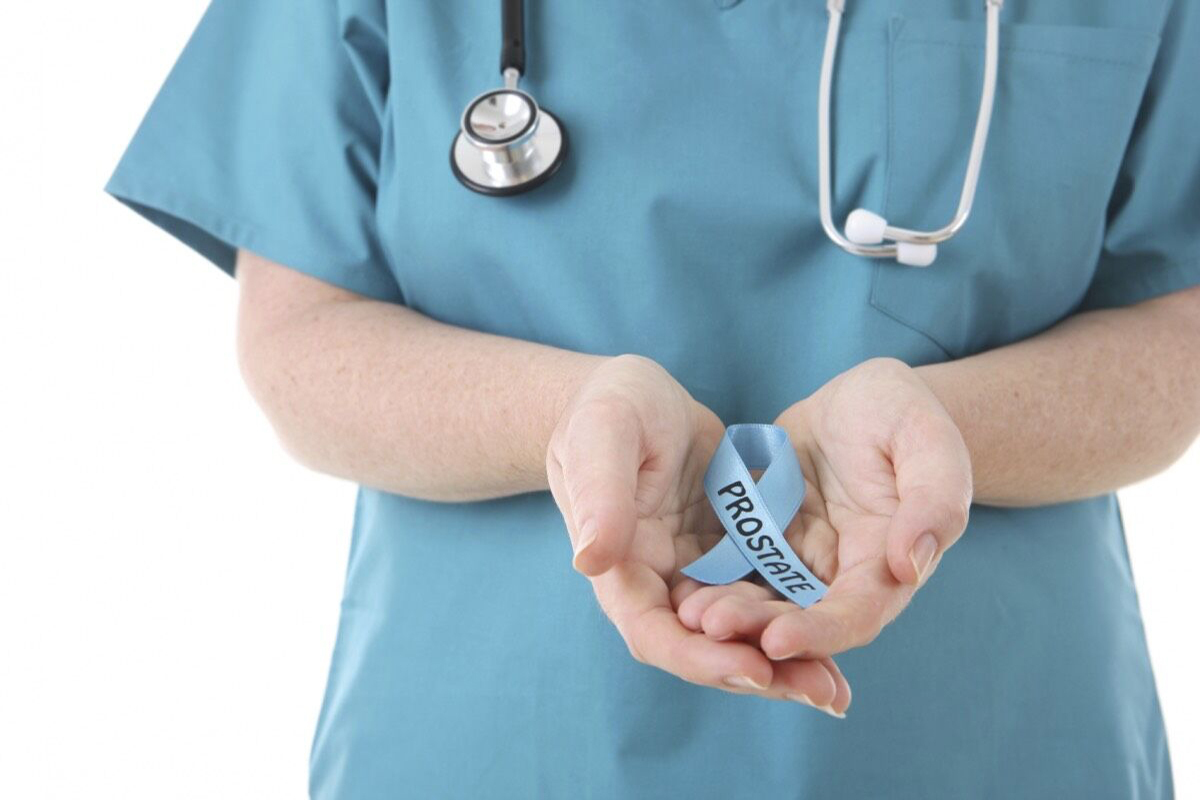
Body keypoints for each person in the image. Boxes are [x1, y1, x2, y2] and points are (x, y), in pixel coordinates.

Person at [107, 0, 1200, 797]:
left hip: (992, 742)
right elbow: (300, 339)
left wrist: (942, 426)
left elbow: (1178, 331)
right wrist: (563, 416)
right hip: (499, 746)